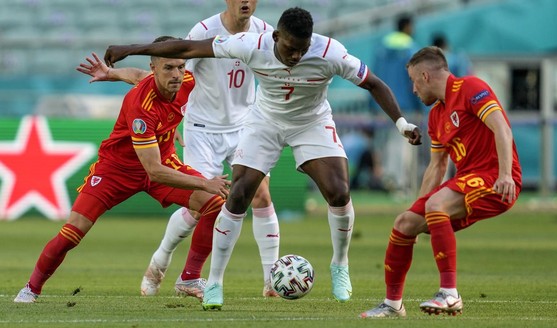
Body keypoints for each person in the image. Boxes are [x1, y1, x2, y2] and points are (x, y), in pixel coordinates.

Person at [104, 7, 422, 310]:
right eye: (290, 49)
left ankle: (333, 266)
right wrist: (131, 48)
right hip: (255, 122)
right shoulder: (249, 43)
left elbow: (374, 83)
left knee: (337, 190)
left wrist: (401, 123)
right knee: (228, 196)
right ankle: (207, 279)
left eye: (302, 49)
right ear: (276, 39)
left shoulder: (329, 52)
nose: (296, 56)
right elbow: (185, 50)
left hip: (308, 122)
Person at [77, 0, 281, 299]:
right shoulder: (203, 30)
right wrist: (130, 56)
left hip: (243, 126)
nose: (245, 1)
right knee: (201, 205)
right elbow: (165, 72)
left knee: (261, 193)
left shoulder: (266, 32)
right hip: (203, 130)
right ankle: (160, 260)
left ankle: (271, 280)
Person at [13, 36, 231, 303]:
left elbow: (137, 74)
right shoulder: (141, 106)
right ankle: (31, 289)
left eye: (180, 67)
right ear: (155, 69)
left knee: (213, 203)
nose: (177, 74)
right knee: (74, 231)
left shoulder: (185, 83)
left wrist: (112, 73)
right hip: (118, 170)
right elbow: (154, 171)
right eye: (168, 68)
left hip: (162, 160)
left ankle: (189, 277)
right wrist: (204, 182)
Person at [360, 46, 522, 318]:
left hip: (496, 179)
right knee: (404, 223)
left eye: (413, 81)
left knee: (436, 204)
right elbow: (437, 166)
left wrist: (506, 174)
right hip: (466, 182)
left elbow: (501, 129)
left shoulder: (471, 87)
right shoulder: (436, 115)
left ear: (424, 76)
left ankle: (449, 294)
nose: (413, 89)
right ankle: (392, 304)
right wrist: (419, 207)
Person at [372, 14, 425, 194]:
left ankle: (387, 177)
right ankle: (399, 183)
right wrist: (419, 104)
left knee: (384, 143)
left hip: (382, 104)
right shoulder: (411, 49)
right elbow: (414, 80)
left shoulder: (381, 48)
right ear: (408, 27)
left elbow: (373, 79)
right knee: (402, 144)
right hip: (404, 106)